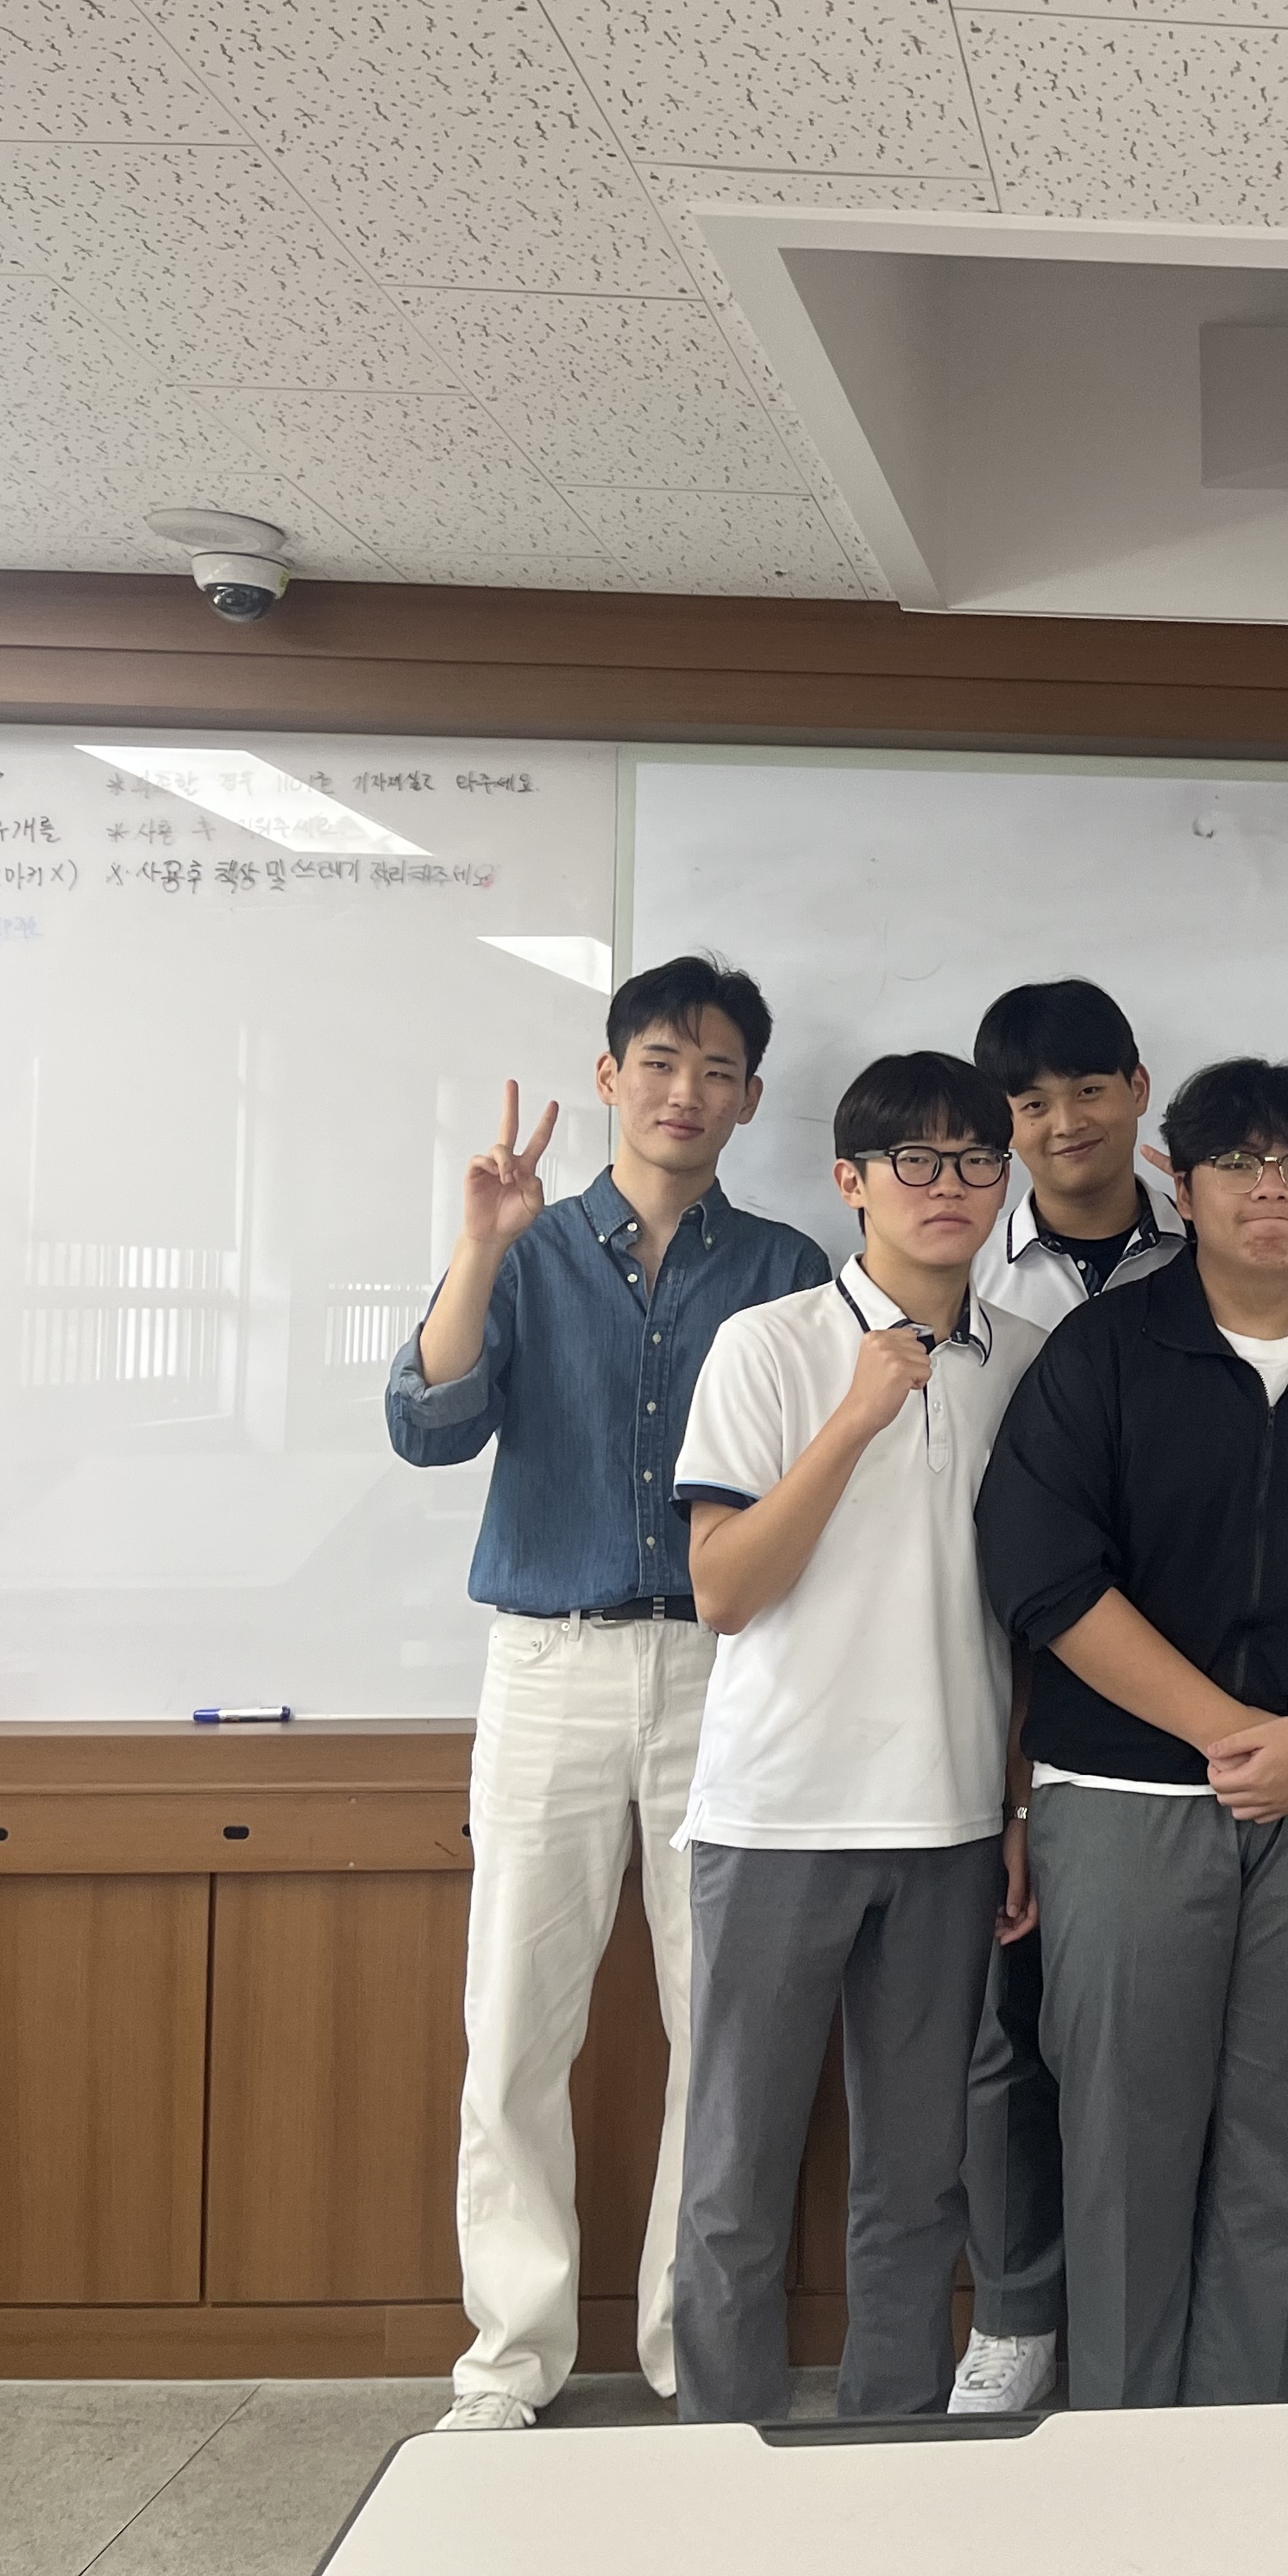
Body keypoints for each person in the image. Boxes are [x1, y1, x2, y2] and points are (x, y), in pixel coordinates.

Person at [385, 956, 832, 2431]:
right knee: (519, 2021)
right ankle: (509, 2356)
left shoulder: (785, 1266)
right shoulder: (523, 1243)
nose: (685, 1093)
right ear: (608, 1078)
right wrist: (478, 1248)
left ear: (751, 1099)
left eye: (717, 1071)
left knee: (721, 2024)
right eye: (659, 1062)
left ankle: (691, 2347)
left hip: (728, 1670)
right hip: (552, 1662)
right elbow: (427, 1429)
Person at [974, 1056, 1288, 2408]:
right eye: (1238, 1163)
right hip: (1128, 1795)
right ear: (1182, 1185)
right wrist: (1239, 1732)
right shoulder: (1105, 1352)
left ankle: (1244, 2416)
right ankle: (1129, 2433)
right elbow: (1043, 1572)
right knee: (1125, 2134)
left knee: (1284, 2128)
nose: (1270, 1189)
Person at [669, 1052, 1046, 2423]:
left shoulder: (1030, 1362)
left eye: (977, 1161)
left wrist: (1015, 1809)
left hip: (949, 1819)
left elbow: (1029, 1616)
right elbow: (724, 1590)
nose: (950, 1187)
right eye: (915, 1161)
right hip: (779, 1814)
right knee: (736, 2177)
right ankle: (720, 2453)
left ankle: (893, 2443)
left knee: (918, 2177)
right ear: (851, 1182)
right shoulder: (767, 1345)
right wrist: (855, 1418)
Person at [949, 976, 1186, 2413]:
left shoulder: (1222, 1250)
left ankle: (1178, 2323)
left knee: (1167, 2045)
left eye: (1090, 1089)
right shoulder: (965, 1270)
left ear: (1138, 1090)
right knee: (1008, 2030)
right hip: (998, 1696)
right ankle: (1019, 2311)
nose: (1064, 1123)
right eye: (1030, 1103)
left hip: (1188, 1707)